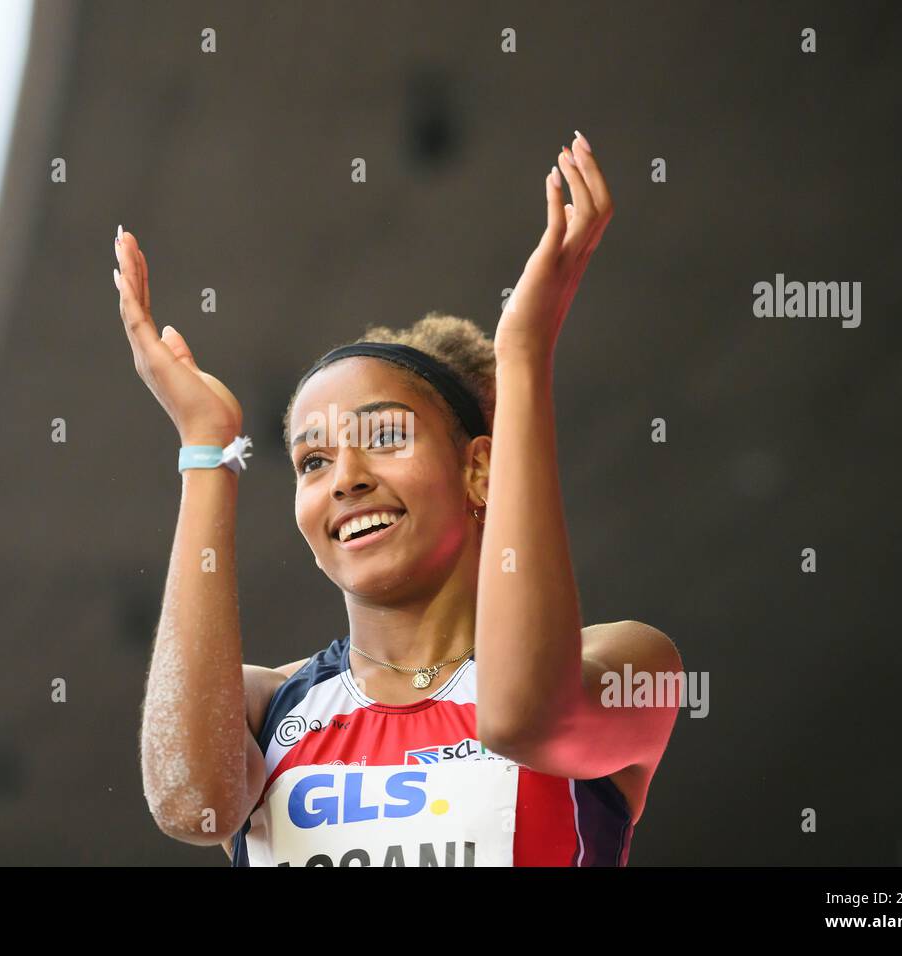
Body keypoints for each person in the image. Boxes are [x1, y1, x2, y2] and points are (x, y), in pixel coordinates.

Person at [121, 131, 683, 866]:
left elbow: (524, 719)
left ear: (480, 471)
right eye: (311, 460)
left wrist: (524, 357)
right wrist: (207, 448)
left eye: (384, 436)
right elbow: (189, 804)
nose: (345, 477)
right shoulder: (268, 707)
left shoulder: (627, 664)